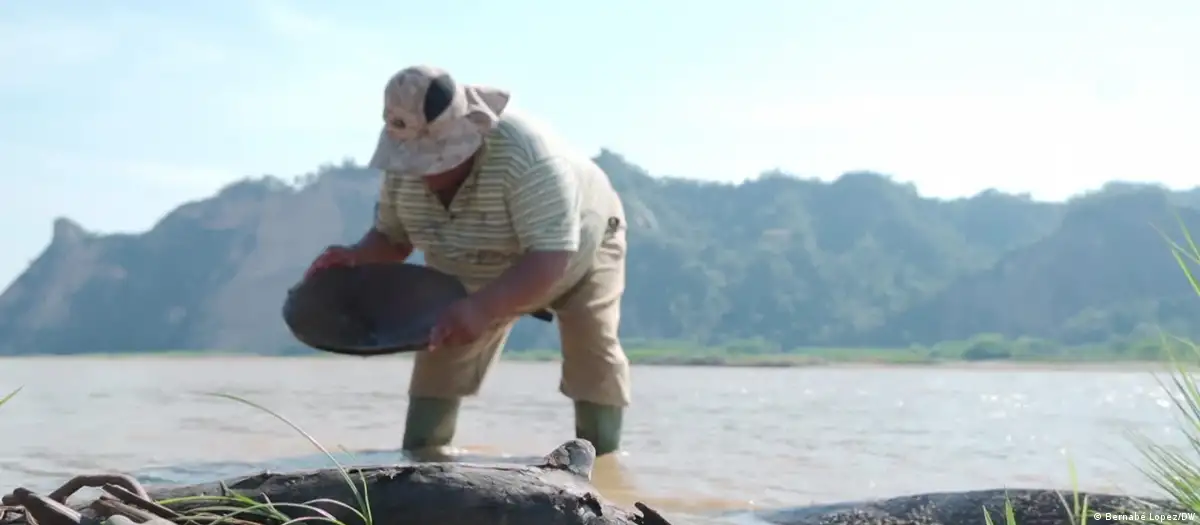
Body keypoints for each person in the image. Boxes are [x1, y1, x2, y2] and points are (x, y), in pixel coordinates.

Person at [304, 65, 631, 456]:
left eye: (436, 159)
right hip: (470, 261)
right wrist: (356, 256)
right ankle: (422, 462)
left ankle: (603, 468)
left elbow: (549, 258)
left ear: (471, 135)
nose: (425, 173)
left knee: (591, 349)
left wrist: (483, 307)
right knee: (440, 351)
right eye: (417, 161)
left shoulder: (529, 159)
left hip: (581, 246)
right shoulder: (402, 159)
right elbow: (393, 238)